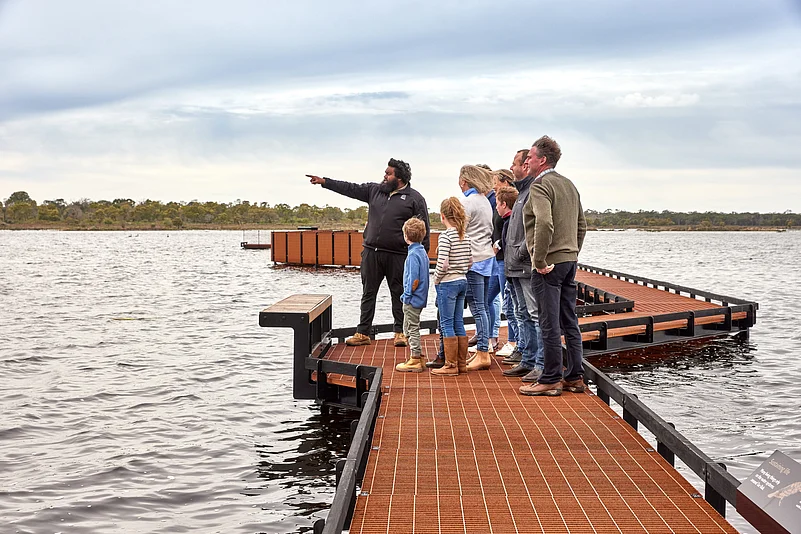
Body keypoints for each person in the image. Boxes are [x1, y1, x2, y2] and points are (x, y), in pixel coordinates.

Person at [307, 159, 430, 347]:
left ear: (399, 178)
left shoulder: (415, 198)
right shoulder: (375, 190)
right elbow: (350, 188)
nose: (384, 176)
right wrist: (325, 182)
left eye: (388, 174)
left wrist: (422, 257)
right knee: (368, 293)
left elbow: (424, 229)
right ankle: (363, 333)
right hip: (372, 252)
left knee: (399, 293)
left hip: (398, 255)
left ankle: (400, 332)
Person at [519, 136, 587, 396]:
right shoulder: (569, 185)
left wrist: (539, 259)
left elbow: (544, 223)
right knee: (569, 320)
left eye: (530, 157)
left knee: (549, 322)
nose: (527, 160)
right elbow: (582, 225)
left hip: (548, 264)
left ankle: (550, 378)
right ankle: (574, 376)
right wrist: (572, 252)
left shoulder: (540, 186)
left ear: (542, 160)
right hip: (569, 261)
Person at [502, 149, 545, 383]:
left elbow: (536, 227)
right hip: (514, 266)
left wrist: (519, 253)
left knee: (534, 313)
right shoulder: (521, 193)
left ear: (525, 167)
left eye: (515, 164)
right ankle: (528, 359)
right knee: (521, 313)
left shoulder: (532, 192)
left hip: (525, 265)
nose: (511, 168)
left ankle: (540, 363)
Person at [457, 165, 495, 371]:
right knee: (483, 306)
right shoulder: (485, 201)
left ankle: (482, 352)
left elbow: (458, 231)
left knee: (477, 307)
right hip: (487, 257)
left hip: (473, 259)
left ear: (465, 181)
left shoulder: (468, 202)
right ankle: (483, 350)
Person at [430, 198, 471, 376]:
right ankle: (462, 363)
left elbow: (443, 263)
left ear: (443, 216)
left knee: (446, 323)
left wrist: (436, 279)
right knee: (458, 321)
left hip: (448, 282)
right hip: (463, 280)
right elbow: (470, 262)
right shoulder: (465, 236)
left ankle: (450, 365)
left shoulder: (445, 236)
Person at [395, 217, 430, 373]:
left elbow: (414, 280)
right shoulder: (422, 252)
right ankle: (418, 356)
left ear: (406, 236)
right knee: (409, 326)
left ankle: (415, 358)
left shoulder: (413, 255)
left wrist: (407, 295)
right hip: (420, 298)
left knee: (412, 328)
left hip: (413, 299)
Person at [492, 183, 521, 363]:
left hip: (511, 269)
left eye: (497, 203)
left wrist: (499, 246)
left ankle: (520, 346)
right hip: (509, 267)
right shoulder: (509, 221)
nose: (495, 207)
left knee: (513, 309)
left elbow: (511, 242)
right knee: (512, 308)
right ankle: (520, 346)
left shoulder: (510, 222)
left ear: (504, 204)